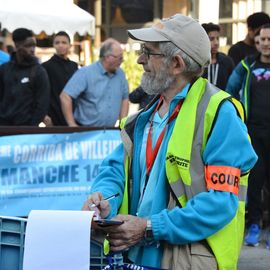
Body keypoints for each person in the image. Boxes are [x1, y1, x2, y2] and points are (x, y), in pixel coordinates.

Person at [82, 14, 257, 269]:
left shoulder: (220, 114)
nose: (140, 60)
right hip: (134, 256)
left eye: (147, 52)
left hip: (185, 259)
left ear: (176, 64)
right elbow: (116, 169)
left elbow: (220, 203)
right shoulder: (144, 117)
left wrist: (149, 228)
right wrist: (104, 199)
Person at [226, 23, 270, 249]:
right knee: (255, 180)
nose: (265, 43)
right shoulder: (247, 64)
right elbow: (230, 90)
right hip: (253, 131)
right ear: (257, 41)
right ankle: (254, 224)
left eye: (269, 39)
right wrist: (236, 117)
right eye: (262, 39)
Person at [60, 38, 129, 127]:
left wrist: (122, 125)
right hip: (86, 133)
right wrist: (72, 124)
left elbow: (125, 98)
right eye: (119, 58)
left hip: (109, 134)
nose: (122, 61)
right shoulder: (86, 73)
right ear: (107, 57)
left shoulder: (120, 74)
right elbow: (65, 96)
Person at [0, 28, 50, 125]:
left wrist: (31, 127)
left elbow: (42, 104)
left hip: (27, 131)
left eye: (34, 46)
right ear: (17, 46)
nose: (32, 50)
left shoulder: (39, 71)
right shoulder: (4, 69)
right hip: (4, 129)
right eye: (28, 46)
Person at [42, 31, 78, 126]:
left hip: (73, 114)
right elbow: (43, 92)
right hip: (53, 115)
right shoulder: (46, 66)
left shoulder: (74, 66)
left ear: (70, 45)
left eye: (64, 42)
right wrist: (45, 115)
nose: (60, 45)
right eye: (57, 43)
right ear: (53, 45)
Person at [201, 22, 234, 90]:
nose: (216, 43)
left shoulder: (227, 61)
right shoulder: (197, 63)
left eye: (217, 39)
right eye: (211, 39)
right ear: (202, 40)